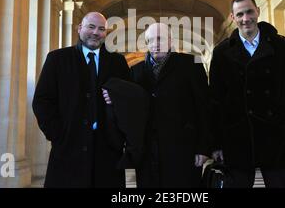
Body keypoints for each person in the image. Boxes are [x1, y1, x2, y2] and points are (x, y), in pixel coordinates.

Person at [209, 0, 285, 188]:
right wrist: (216, 143)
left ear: (258, 11)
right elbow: (215, 99)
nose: (246, 19)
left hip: (274, 135)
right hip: (236, 139)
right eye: (240, 14)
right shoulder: (221, 53)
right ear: (232, 18)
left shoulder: (282, 46)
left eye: (250, 12)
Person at [32, 12, 130, 188]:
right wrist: (58, 134)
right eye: (91, 27)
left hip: (108, 149)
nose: (95, 32)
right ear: (79, 29)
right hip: (68, 147)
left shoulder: (118, 62)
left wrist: (119, 133)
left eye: (101, 29)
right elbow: (42, 100)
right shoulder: (57, 59)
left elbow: (130, 102)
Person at [131, 23, 212, 187]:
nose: (156, 43)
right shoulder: (135, 71)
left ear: (170, 40)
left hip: (183, 150)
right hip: (148, 153)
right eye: (150, 40)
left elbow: (204, 107)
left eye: (160, 38)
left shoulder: (192, 63)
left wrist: (203, 148)